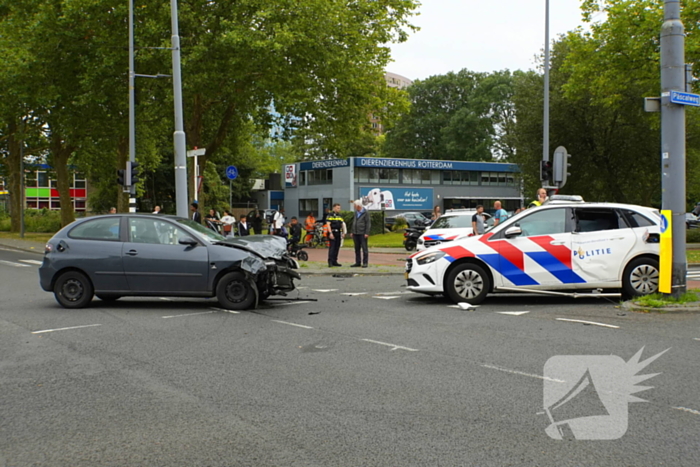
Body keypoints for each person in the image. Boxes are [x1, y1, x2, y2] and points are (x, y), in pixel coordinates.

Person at [350, 199, 371, 268]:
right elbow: (354, 222)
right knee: (357, 248)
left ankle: (365, 262)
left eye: (355, 205)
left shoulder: (365, 213)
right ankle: (357, 262)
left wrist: (366, 232)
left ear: (358, 206)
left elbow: (368, 223)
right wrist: (352, 231)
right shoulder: (356, 212)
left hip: (362, 233)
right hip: (355, 233)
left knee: (364, 248)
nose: (354, 207)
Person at [326, 203, 344, 267]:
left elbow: (342, 224)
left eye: (339, 208)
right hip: (333, 232)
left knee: (337, 247)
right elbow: (328, 224)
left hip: (338, 232)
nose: (339, 209)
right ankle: (330, 261)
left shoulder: (340, 215)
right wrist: (330, 233)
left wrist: (343, 233)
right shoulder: (330, 215)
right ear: (334, 208)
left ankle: (335, 261)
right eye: (337, 208)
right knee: (332, 247)